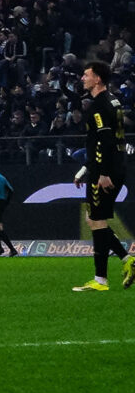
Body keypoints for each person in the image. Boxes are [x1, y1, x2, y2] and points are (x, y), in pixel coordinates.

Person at [72, 60, 127, 292]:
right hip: (112, 165)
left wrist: (102, 173)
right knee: (94, 219)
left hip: (105, 170)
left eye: (86, 75)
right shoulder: (113, 101)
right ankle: (127, 259)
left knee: (96, 221)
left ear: (97, 79)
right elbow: (103, 140)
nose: (83, 78)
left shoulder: (98, 105)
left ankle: (101, 279)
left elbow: (104, 140)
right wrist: (86, 168)